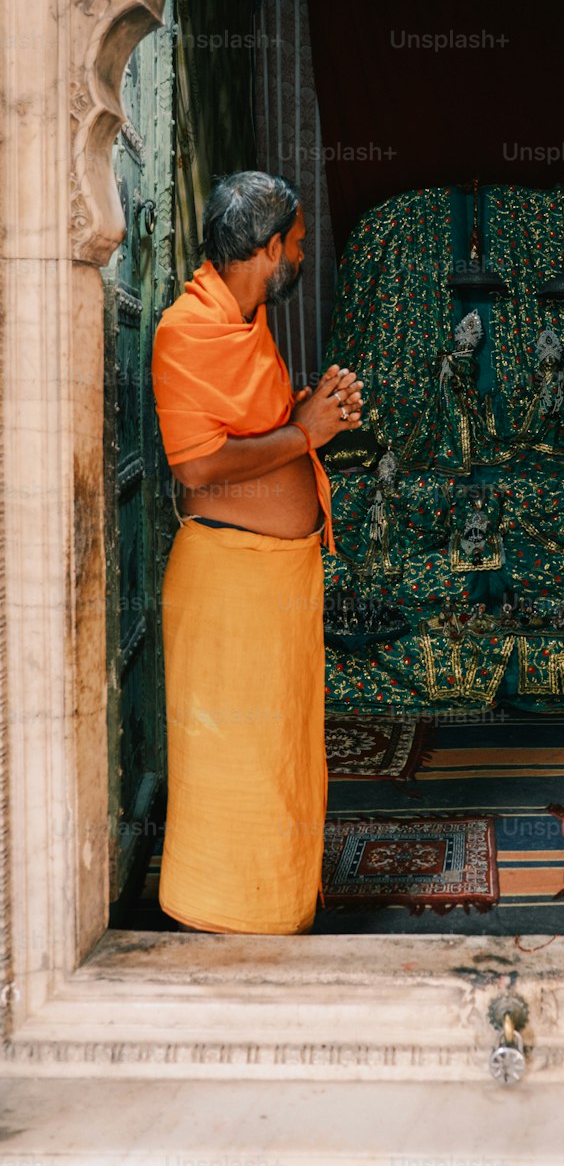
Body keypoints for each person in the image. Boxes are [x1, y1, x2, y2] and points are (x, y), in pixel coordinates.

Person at [151, 171, 362, 935]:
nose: (303, 255)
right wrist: (307, 432)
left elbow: (250, 429)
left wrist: (313, 408)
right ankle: (224, 929)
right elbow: (199, 465)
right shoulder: (186, 327)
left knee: (279, 758)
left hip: (270, 583)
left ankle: (275, 916)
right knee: (233, 770)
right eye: (299, 244)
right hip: (228, 591)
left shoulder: (242, 317)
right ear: (269, 249)